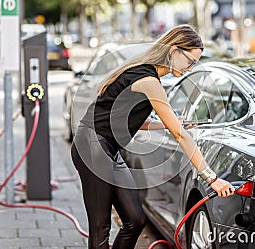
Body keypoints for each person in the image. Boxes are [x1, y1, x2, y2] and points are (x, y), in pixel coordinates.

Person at [70, 24, 235, 249]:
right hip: (93, 145)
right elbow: (181, 136)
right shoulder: (148, 80)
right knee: (100, 228)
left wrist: (170, 124)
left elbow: (130, 121)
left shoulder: (148, 75)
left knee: (135, 220)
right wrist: (212, 178)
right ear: (174, 50)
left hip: (108, 147)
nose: (190, 68)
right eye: (190, 61)